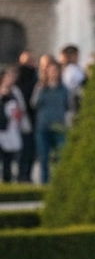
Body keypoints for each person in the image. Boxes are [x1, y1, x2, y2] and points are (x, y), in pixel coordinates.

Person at [31, 62, 69, 184]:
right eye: (51, 71)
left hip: (58, 127)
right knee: (44, 158)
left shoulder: (64, 89)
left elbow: (68, 106)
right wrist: (40, 89)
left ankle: (59, 183)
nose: (53, 73)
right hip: (43, 126)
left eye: (55, 71)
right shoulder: (41, 88)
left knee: (61, 156)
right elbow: (33, 103)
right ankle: (44, 184)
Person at [14, 51, 38, 183]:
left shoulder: (32, 77)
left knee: (27, 151)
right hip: (23, 119)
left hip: (30, 119)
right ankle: (23, 175)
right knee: (25, 151)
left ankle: (24, 175)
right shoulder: (25, 77)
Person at [0, 68, 25, 183]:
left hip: (10, 129)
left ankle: (8, 179)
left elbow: (21, 109)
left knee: (8, 159)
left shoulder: (15, 92)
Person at [59, 45, 86, 113]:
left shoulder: (65, 70)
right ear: (72, 56)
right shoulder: (72, 70)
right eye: (77, 55)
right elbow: (84, 82)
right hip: (75, 101)